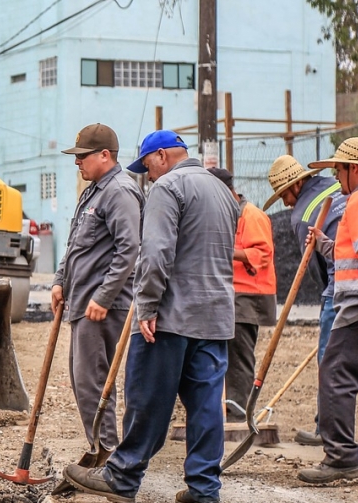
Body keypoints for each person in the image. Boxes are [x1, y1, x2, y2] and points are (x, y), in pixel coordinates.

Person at [64, 131, 239, 503]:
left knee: (147, 399)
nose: (148, 176)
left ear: (161, 156)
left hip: (170, 317)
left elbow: (156, 253)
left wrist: (146, 305)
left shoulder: (168, 187)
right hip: (216, 318)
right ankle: (204, 489)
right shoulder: (223, 192)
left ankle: (123, 477)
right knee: (206, 406)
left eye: (147, 167)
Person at [52, 123, 143, 451]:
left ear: (105, 155)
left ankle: (107, 454)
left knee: (94, 385)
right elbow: (76, 243)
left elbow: (129, 249)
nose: (78, 162)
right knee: (82, 383)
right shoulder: (93, 191)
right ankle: (100, 450)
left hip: (103, 305)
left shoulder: (120, 191)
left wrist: (104, 297)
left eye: (83, 156)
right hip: (82, 301)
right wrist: (60, 280)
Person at [263, 154, 346, 445]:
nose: (285, 203)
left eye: (284, 194)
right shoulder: (336, 185)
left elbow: (313, 269)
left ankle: (327, 430)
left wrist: (331, 304)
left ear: (296, 186)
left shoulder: (301, 217)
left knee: (330, 363)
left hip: (339, 290)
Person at [296, 138, 358, 484]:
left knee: (334, 376)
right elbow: (350, 252)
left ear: (355, 169)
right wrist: (324, 243)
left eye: (339, 170)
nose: (336, 179)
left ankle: (342, 458)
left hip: (356, 308)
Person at [208, 167, 277, 422]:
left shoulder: (252, 216)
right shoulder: (227, 214)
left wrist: (221, 251)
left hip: (250, 295)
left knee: (238, 354)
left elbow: (262, 254)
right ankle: (227, 407)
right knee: (226, 351)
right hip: (232, 293)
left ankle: (238, 413)